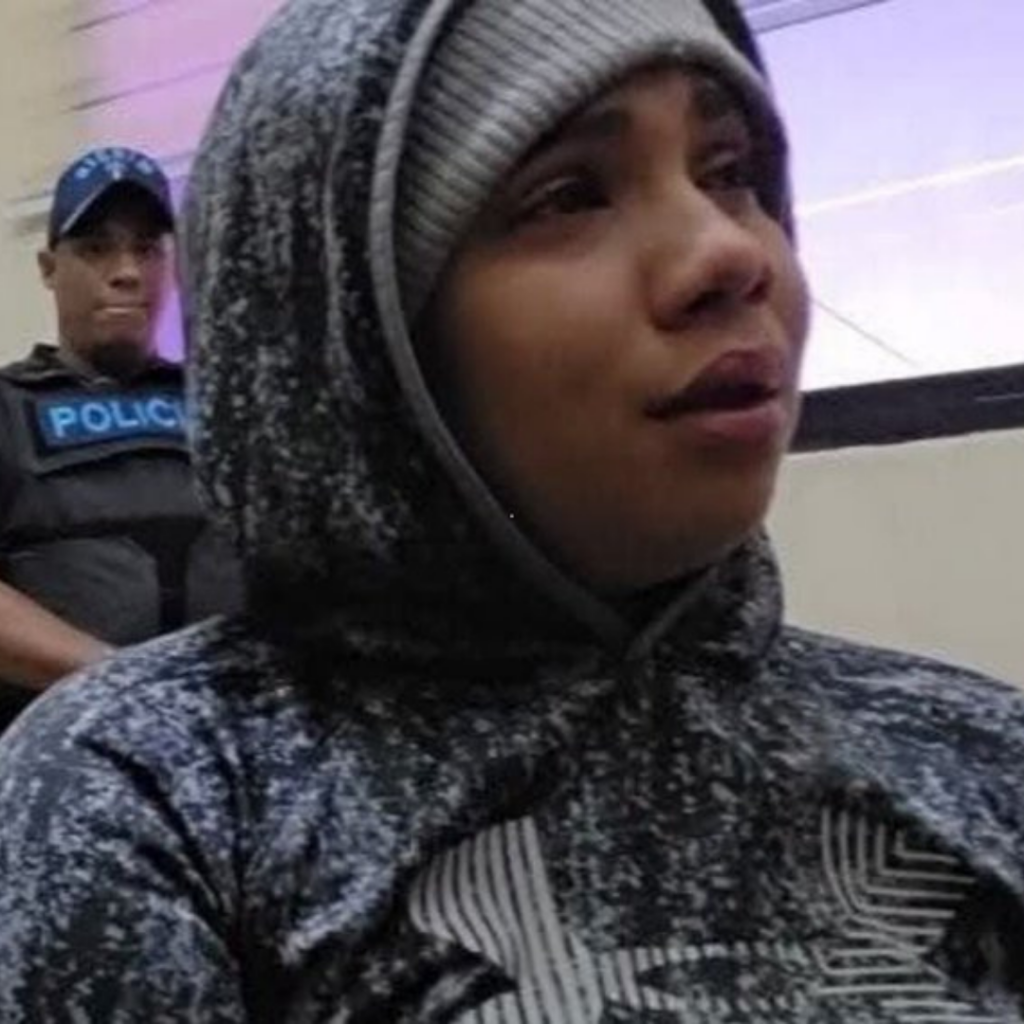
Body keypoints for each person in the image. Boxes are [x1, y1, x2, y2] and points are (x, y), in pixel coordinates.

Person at [0, 0, 1022, 1019]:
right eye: (568, 195)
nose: (729, 254)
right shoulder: (157, 797)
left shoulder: (977, 753)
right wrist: (117, 689)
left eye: (730, 173)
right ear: (344, 337)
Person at [0, 147, 241, 731]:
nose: (127, 272)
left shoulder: (225, 405)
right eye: (95, 248)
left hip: (229, 745)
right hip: (59, 753)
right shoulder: (9, 408)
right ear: (48, 268)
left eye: (147, 249)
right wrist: (121, 680)